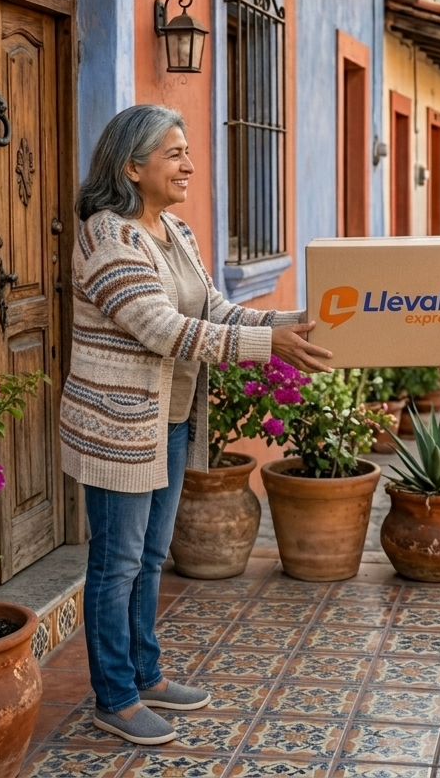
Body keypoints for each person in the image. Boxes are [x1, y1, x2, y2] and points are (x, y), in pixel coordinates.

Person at [62, 104, 331, 746]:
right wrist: (275, 348)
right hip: (119, 427)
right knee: (117, 561)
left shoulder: (174, 231)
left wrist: (286, 322)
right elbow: (162, 328)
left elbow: (211, 307)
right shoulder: (108, 236)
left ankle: (146, 673)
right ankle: (115, 696)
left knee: (152, 555)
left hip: (172, 421)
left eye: (187, 151)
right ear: (132, 165)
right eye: (174, 153)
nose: (189, 164)